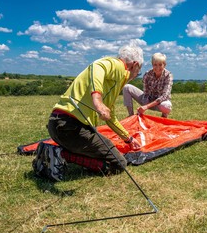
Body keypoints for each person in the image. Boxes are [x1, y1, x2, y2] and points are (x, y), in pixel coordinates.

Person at [47, 44, 143, 175]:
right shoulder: (119, 66)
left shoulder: (113, 83)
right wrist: (97, 99)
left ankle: (56, 153)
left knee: (101, 152)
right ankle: (60, 154)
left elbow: (111, 117)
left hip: (57, 125)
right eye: (139, 71)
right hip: (71, 127)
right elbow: (98, 66)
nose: (136, 75)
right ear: (134, 64)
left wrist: (128, 139)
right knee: (119, 164)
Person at [123, 52, 173, 118]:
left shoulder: (168, 75)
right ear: (152, 64)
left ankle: (164, 117)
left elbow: (164, 96)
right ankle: (131, 115)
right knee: (127, 87)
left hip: (160, 103)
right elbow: (146, 92)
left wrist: (146, 106)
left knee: (166, 106)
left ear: (164, 65)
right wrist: (143, 104)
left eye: (160, 65)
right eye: (155, 65)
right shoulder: (147, 74)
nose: (157, 67)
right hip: (148, 99)